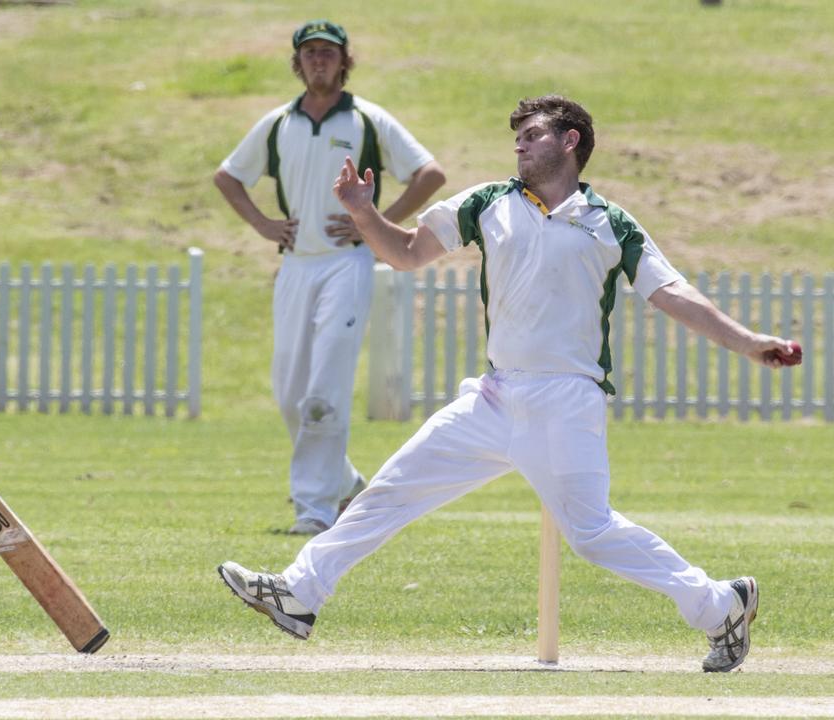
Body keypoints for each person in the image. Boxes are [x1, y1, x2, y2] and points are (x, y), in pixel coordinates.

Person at [218, 95, 800, 672]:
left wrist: (749, 342)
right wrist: (365, 211)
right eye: (516, 135)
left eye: (533, 134)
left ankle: (721, 605)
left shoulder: (609, 223)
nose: (519, 143)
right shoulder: (486, 202)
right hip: (494, 398)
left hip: (568, 400)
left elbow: (674, 295)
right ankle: (299, 593)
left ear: (570, 142)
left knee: (592, 534)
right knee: (391, 489)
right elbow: (406, 255)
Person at [213, 19, 446, 535]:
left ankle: (314, 509)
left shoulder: (367, 119)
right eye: (311, 52)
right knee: (290, 391)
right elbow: (228, 176)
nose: (320, 60)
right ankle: (344, 485)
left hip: (347, 264)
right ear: (298, 62)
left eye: (329, 52)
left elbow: (429, 173)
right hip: (296, 264)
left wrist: (376, 223)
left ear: (345, 61)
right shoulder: (278, 122)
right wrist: (262, 223)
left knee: (325, 387)